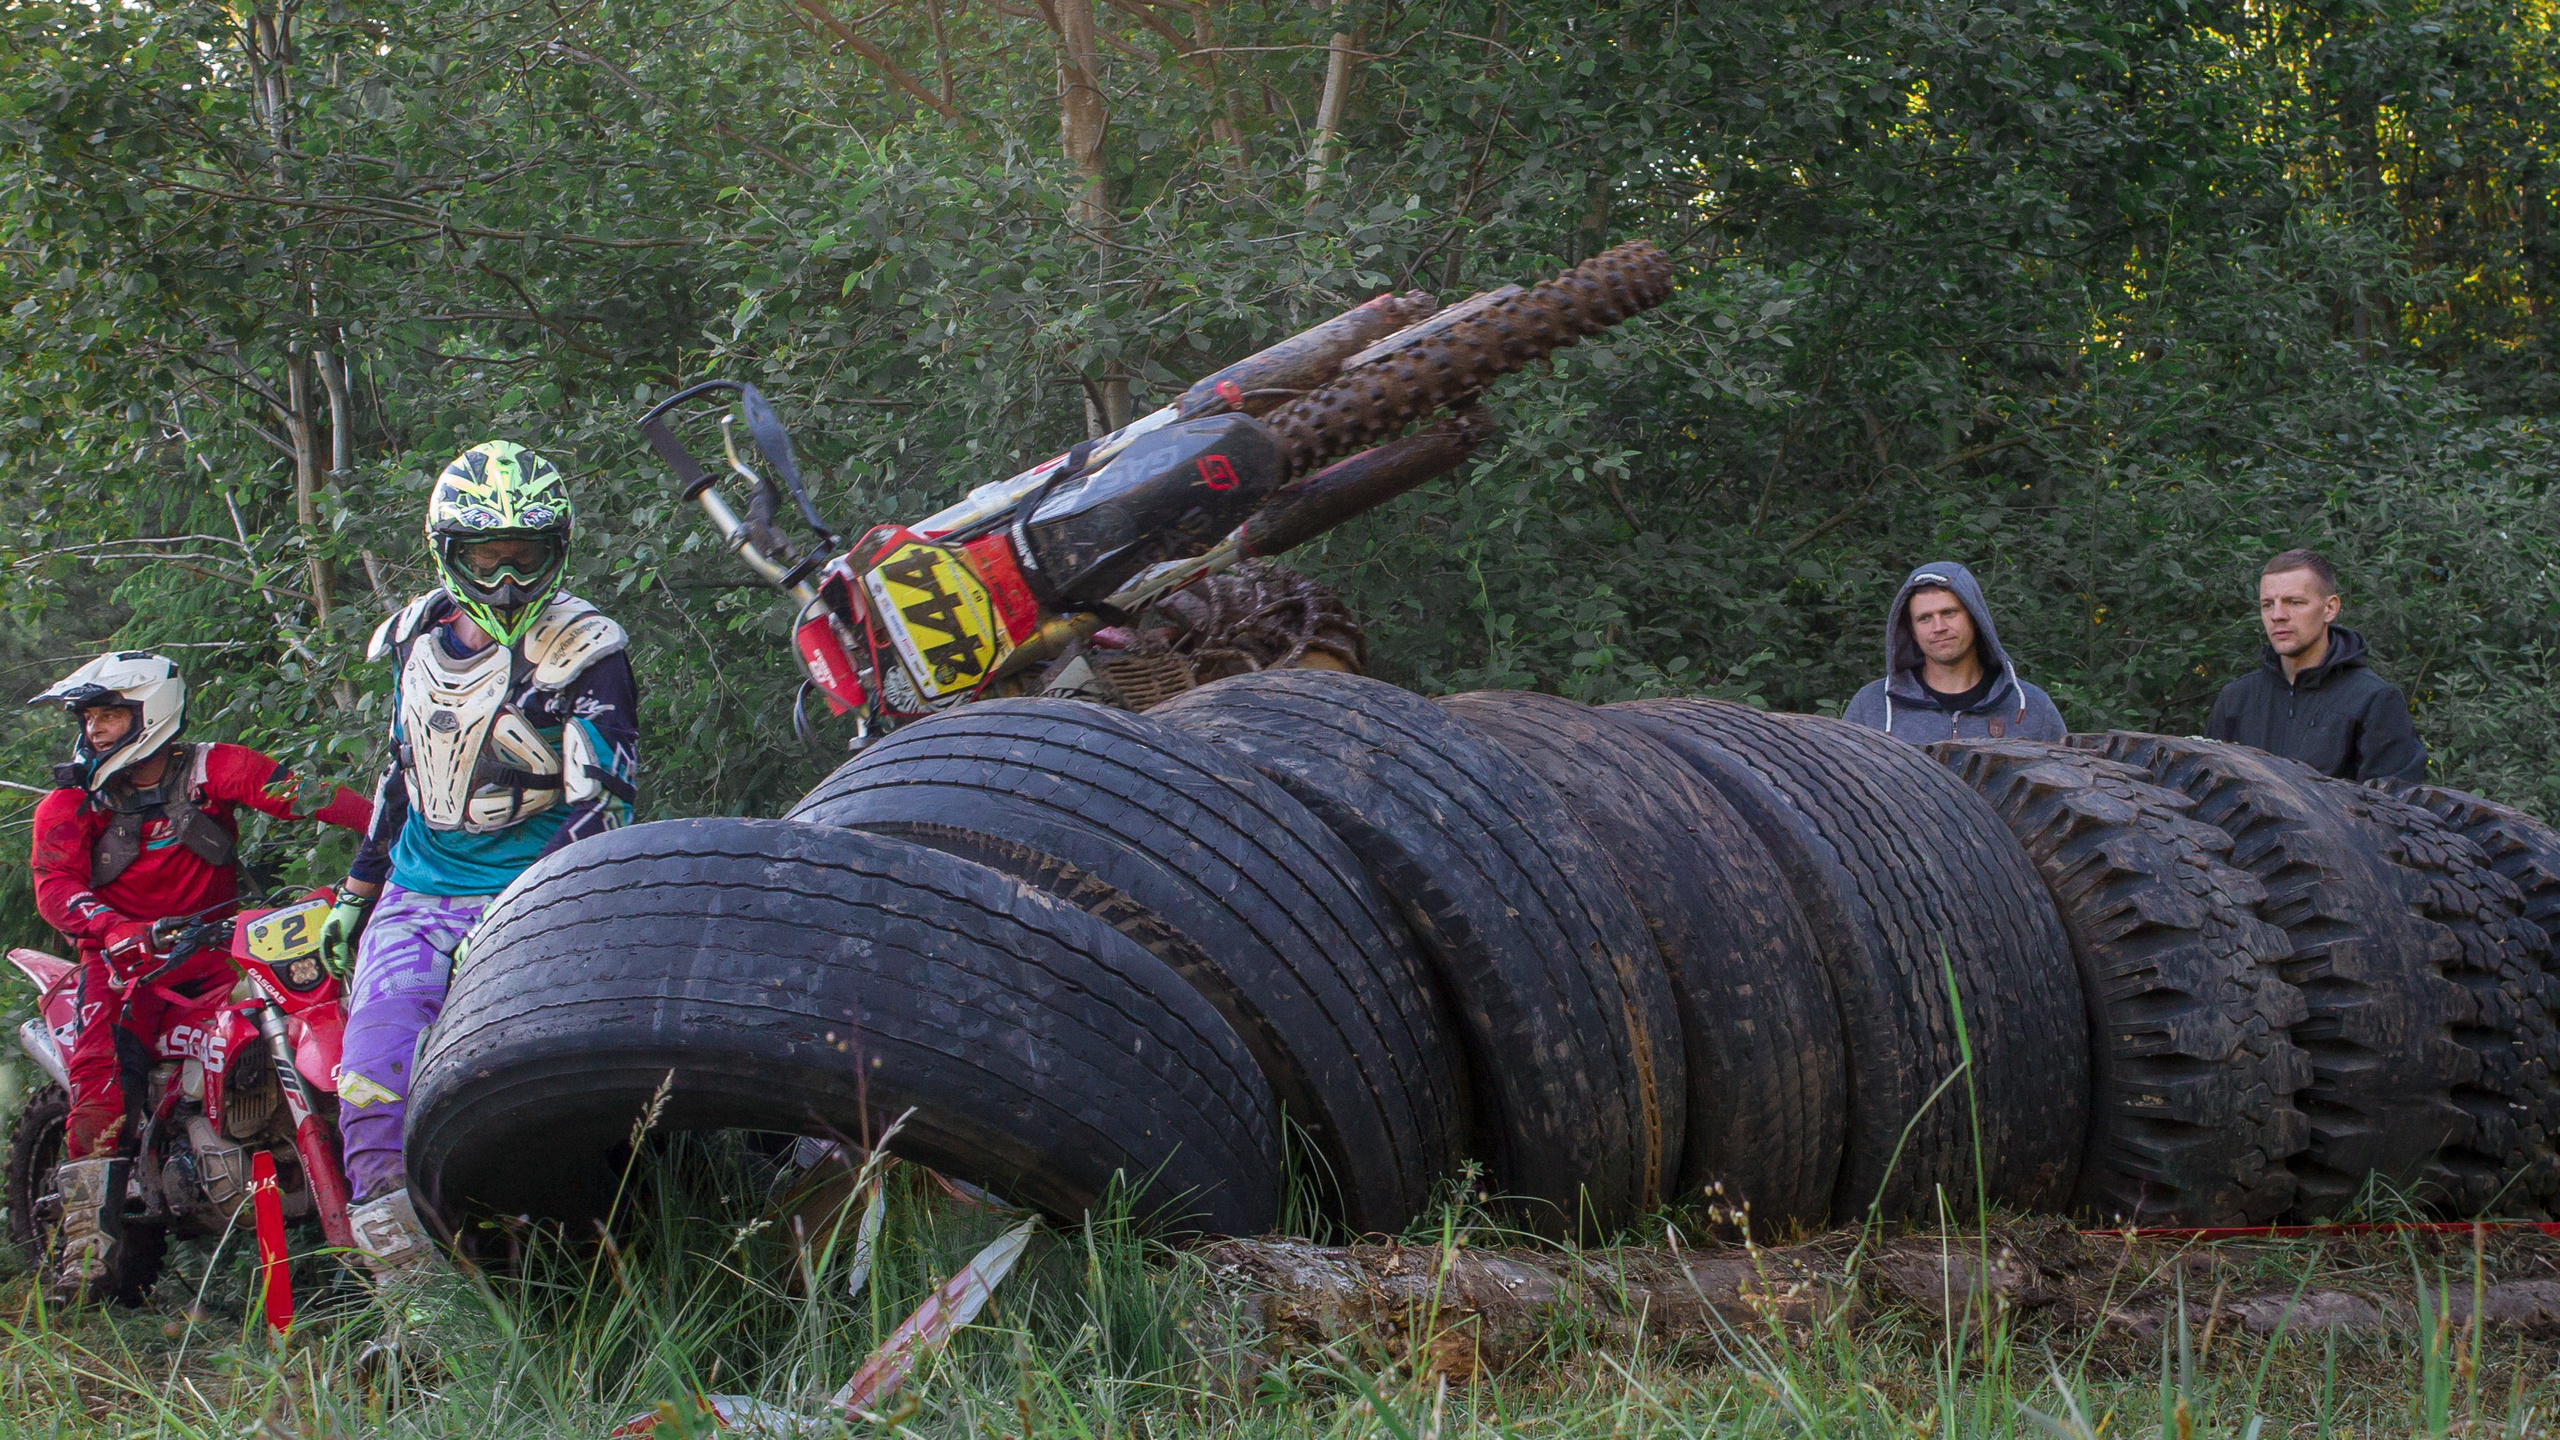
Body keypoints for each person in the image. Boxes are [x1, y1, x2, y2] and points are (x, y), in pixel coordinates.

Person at [320, 440, 639, 1280]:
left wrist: (524, 906)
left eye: (523, 557)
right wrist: (357, 890)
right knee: (370, 1082)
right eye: (484, 558)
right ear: (446, 554)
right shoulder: (413, 637)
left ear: (555, 552)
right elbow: (402, 770)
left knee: (564, 1090)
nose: (505, 582)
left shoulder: (586, 646)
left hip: (548, 892)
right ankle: (417, 1305)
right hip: (420, 891)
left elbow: (603, 802)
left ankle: (604, 1268)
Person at [24, 651, 371, 1302]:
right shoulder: (71, 801)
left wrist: (392, 832)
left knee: (321, 1010)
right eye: (89, 716)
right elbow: (54, 888)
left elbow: (316, 798)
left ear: (150, 713)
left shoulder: (216, 770)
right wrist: (112, 928)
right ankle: (84, 1253)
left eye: (108, 715)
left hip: (218, 953)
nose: (93, 729)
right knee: (101, 1079)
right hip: (123, 970)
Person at [2206, 548, 2424, 782]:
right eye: (2268, 604)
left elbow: (2392, 810)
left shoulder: (2373, 700)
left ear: (2330, 608)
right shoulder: (2237, 700)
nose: (2277, 615)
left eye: (2294, 602)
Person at [1842, 561, 2067, 743]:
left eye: (1949, 613)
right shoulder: (1871, 708)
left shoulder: (2031, 708)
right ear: (1911, 630)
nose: (1938, 627)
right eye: (1925, 618)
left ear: (1974, 618)